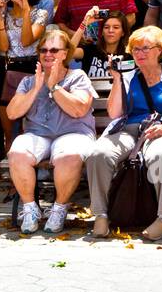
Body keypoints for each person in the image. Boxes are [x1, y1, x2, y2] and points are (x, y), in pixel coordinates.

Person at [85, 25, 162, 241]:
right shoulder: (127, 76)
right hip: (129, 130)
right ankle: (100, 214)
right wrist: (116, 78)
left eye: (145, 48)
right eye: (135, 50)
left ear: (159, 50)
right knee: (99, 153)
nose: (139, 54)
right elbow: (114, 112)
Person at [6, 27, 97, 234]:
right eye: (44, 50)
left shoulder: (77, 77)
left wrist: (54, 86)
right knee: (17, 152)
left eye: (54, 50)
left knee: (70, 155)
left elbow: (78, 109)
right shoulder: (29, 81)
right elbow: (12, 113)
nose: (48, 54)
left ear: (65, 54)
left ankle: (59, 209)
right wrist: (37, 88)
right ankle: (30, 209)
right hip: (38, 135)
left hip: (73, 132)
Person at [0, 0, 48, 154]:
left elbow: (27, 41)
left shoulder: (39, 14)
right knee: (9, 132)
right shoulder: (0, 16)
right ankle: (13, 175)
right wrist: (0, 16)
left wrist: (25, 10)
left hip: (32, 68)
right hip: (8, 69)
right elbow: (2, 46)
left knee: (30, 128)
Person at [68, 7, 130, 79]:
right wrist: (84, 23)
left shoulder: (129, 55)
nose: (110, 30)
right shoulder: (90, 50)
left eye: (116, 27)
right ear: (102, 32)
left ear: (123, 32)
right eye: (106, 27)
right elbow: (68, 53)